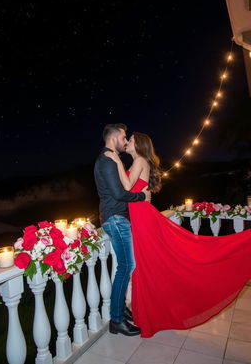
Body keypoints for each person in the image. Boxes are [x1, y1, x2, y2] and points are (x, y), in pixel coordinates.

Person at [105, 131, 251, 338]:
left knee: (148, 265)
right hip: (139, 218)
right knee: (147, 266)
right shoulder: (138, 161)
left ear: (139, 145)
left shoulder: (139, 160)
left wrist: (116, 161)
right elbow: (128, 189)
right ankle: (149, 312)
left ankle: (150, 315)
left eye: (131, 140)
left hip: (143, 219)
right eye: (126, 140)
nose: (127, 142)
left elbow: (127, 187)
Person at [94, 123, 151, 337]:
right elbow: (120, 193)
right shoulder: (108, 159)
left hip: (117, 218)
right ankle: (116, 319)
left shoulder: (109, 159)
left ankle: (121, 311)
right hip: (116, 219)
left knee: (125, 265)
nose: (126, 140)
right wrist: (141, 197)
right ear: (115, 137)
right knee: (126, 266)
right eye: (124, 136)